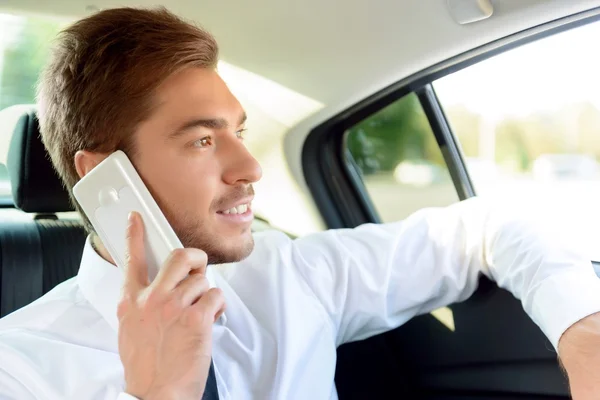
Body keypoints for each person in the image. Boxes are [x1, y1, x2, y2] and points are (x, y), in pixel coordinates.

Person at [0, 6, 599, 400]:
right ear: (106, 176)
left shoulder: (288, 273)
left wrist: (584, 333)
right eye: (204, 140)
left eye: (239, 131)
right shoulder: (19, 368)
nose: (250, 167)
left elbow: (488, 225)